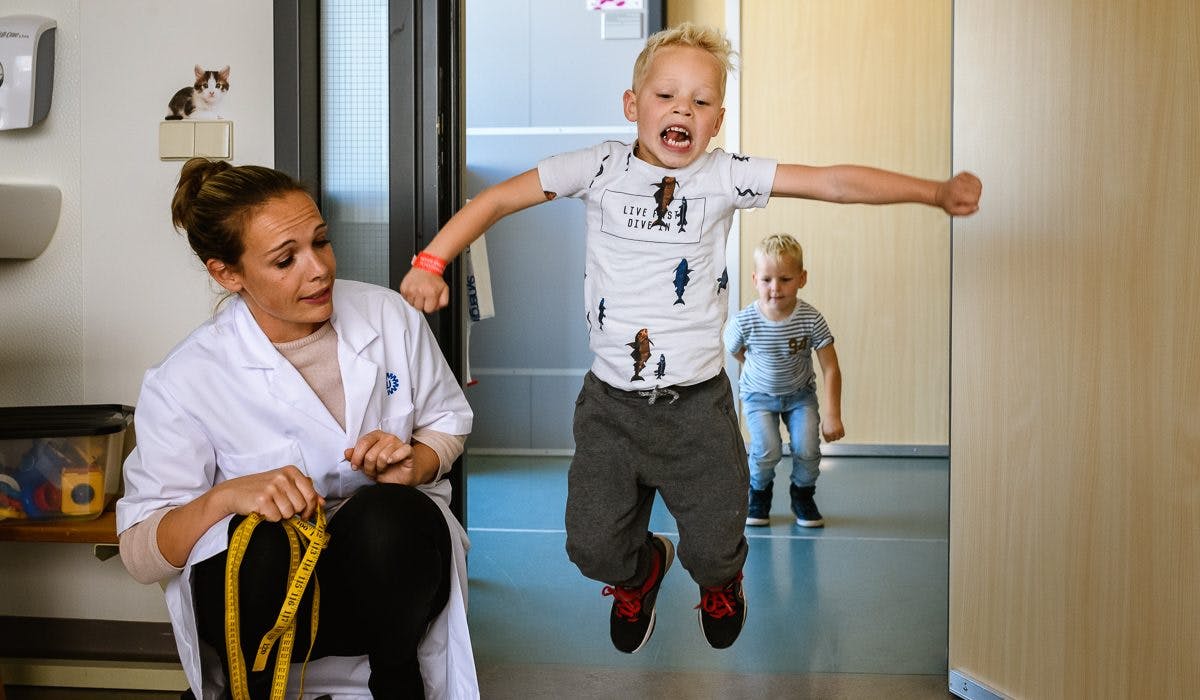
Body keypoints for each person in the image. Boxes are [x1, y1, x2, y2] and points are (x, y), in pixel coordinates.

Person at [399, 22, 981, 655]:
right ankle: (644, 570)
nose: (683, 110)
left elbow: (831, 182)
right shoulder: (596, 167)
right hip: (610, 406)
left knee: (715, 546)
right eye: (666, 96)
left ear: (717, 121)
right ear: (632, 105)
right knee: (590, 545)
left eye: (701, 102)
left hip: (696, 408)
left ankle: (719, 581)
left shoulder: (724, 177)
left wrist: (933, 193)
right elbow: (496, 201)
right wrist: (432, 261)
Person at [115, 158, 478, 699]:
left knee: (391, 515)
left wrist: (415, 461)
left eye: (321, 242)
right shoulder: (186, 377)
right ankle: (255, 688)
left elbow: (447, 420)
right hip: (259, 602)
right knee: (263, 535)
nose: (319, 269)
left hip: (385, 587)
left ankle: (397, 679)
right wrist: (228, 497)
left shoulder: (386, 316)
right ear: (226, 273)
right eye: (286, 260)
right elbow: (141, 553)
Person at [724, 233, 842, 529]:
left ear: (802, 278)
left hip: (800, 396)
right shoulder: (744, 321)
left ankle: (802, 494)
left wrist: (832, 415)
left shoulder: (811, 319)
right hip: (757, 397)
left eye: (785, 279)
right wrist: (753, 367)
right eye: (766, 280)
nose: (775, 288)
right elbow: (735, 350)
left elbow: (830, 368)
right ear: (755, 279)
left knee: (807, 448)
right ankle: (758, 494)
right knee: (767, 450)